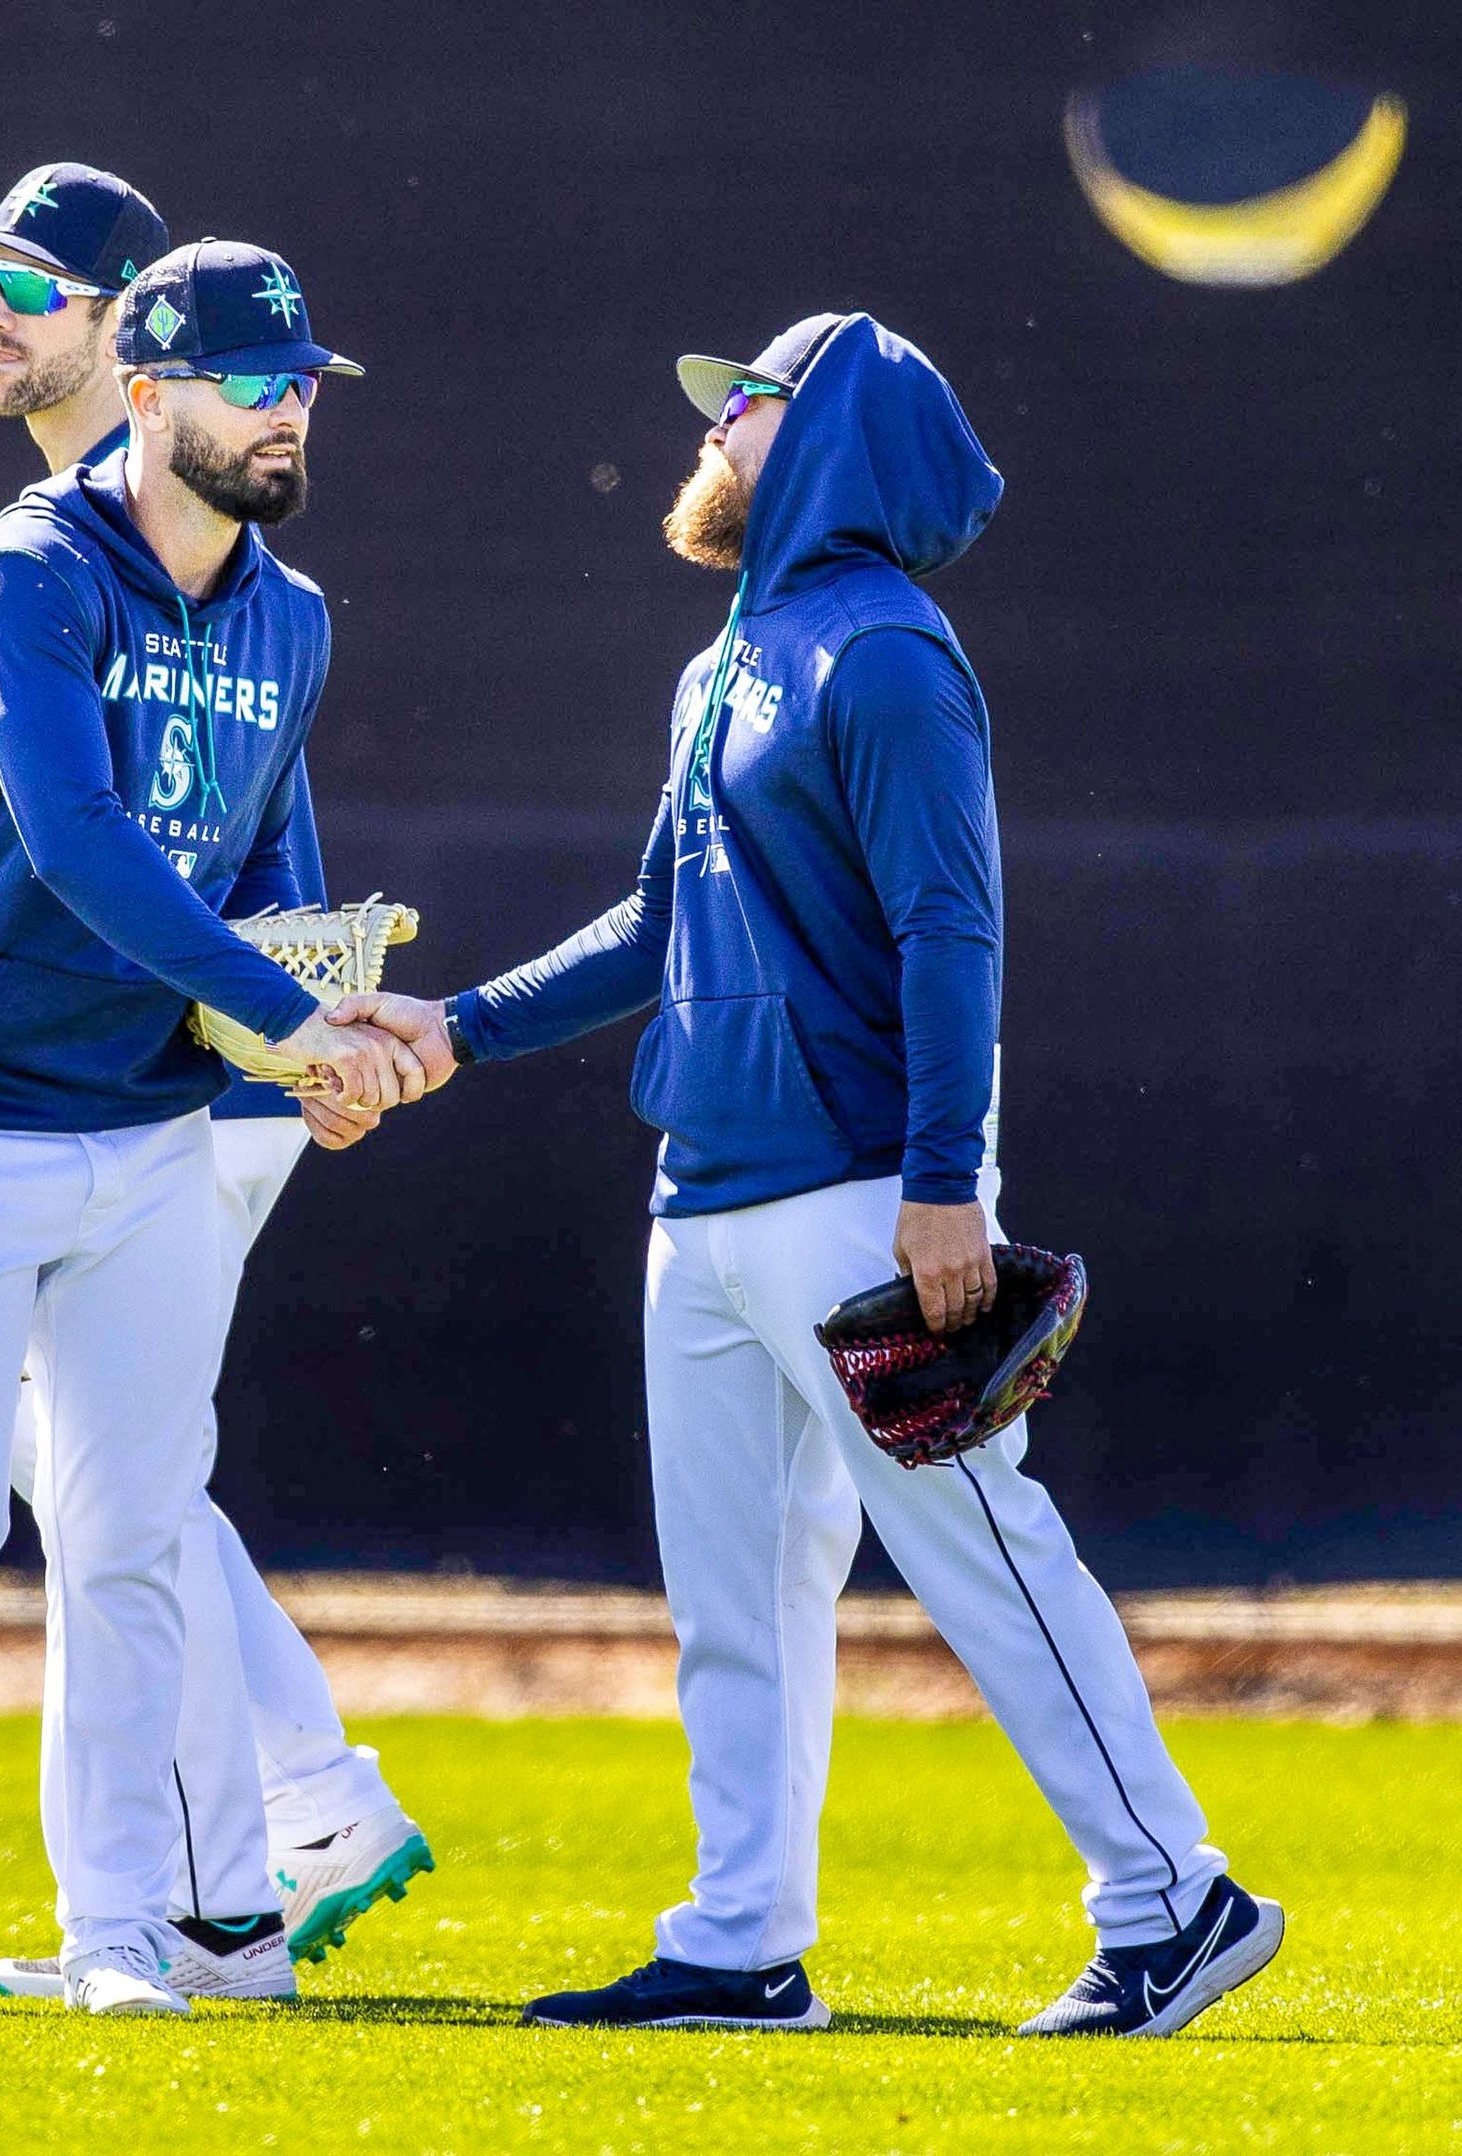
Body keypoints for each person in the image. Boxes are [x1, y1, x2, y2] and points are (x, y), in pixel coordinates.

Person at [335, 312, 1285, 2037]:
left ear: (821, 437)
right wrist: (458, 1024)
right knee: (736, 1605)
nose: (711, 431)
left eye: (743, 405)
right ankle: (739, 1944)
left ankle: (1177, 1899)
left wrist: (948, 1184)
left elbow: (953, 924)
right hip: (700, 1193)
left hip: (859, 1191)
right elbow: (659, 921)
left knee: (988, 1548)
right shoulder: (728, 659)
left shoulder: (893, 654)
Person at [0, 237, 413, 2018]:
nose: (290, 409)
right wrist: (296, 1024)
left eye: (303, 382)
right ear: (146, 393)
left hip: (142, 1132)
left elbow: (269, 871)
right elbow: (77, 844)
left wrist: (317, 1047)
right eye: (252, 380)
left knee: (131, 1534)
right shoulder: (30, 574)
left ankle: (119, 1936)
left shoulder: (292, 615)